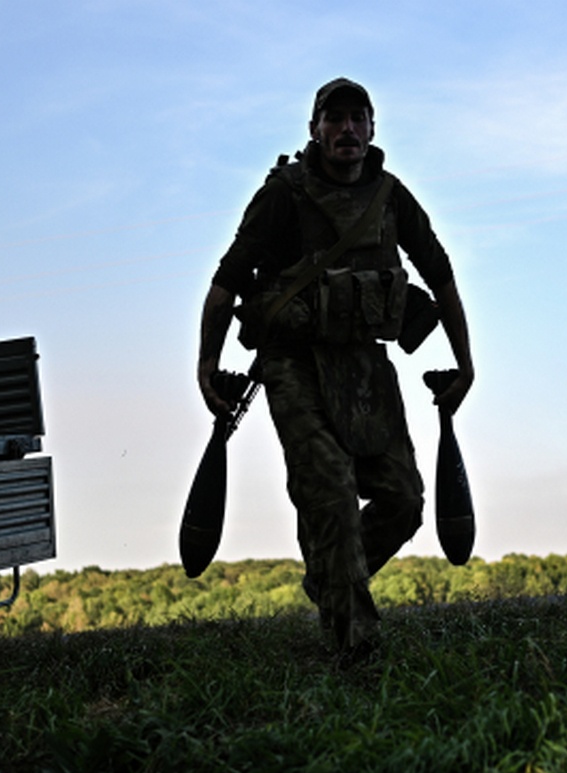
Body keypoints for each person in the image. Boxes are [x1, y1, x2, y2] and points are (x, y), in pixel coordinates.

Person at [197, 78, 474, 663]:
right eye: (334, 118)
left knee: (403, 501)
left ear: (372, 129)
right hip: (291, 362)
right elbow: (225, 282)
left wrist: (466, 364)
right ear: (315, 130)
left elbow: (441, 274)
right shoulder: (283, 197)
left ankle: (328, 580)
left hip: (364, 362)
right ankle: (358, 649)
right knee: (330, 491)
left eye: (357, 118)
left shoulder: (392, 199)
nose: (346, 129)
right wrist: (206, 366)